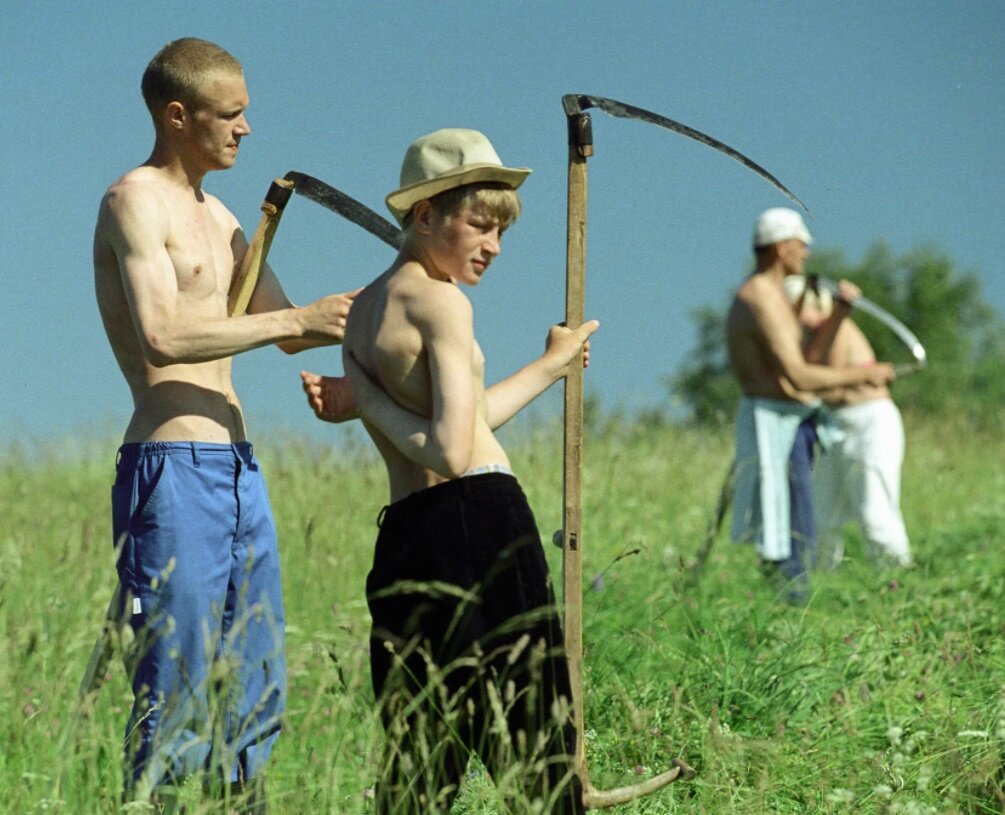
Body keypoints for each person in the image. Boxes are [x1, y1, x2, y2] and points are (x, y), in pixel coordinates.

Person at [92, 37, 360, 811]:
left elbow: (291, 329)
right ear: (178, 116)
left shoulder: (229, 217)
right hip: (171, 467)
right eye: (231, 115)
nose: (246, 129)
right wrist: (300, 315)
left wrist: (401, 289)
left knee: (256, 681)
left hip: (242, 471)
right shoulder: (132, 200)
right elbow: (164, 336)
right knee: (174, 677)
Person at [302, 128, 597, 813]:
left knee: (420, 758)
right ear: (425, 214)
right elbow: (454, 451)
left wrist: (547, 368)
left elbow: (460, 424)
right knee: (536, 751)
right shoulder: (443, 302)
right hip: (481, 526)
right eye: (479, 224)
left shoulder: (366, 309)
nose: (492, 245)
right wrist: (370, 401)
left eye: (500, 230)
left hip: (408, 535)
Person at [725, 208, 896, 603]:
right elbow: (799, 376)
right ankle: (789, 606)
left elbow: (805, 360)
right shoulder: (760, 297)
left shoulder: (773, 296)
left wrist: (838, 315)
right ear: (782, 247)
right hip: (774, 424)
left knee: (799, 517)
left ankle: (791, 601)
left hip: (789, 422)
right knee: (785, 524)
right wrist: (864, 375)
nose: (805, 253)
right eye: (801, 246)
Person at [783, 276, 912, 569]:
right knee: (821, 514)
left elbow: (816, 370)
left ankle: (895, 578)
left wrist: (841, 313)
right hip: (833, 426)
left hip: (870, 422)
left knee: (874, 510)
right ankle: (820, 582)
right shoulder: (807, 335)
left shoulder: (835, 327)